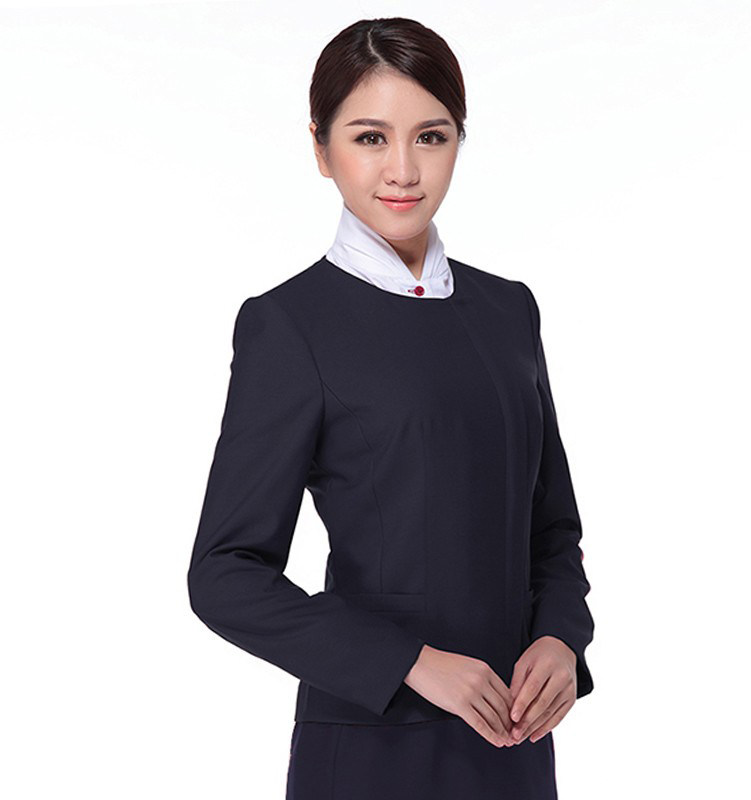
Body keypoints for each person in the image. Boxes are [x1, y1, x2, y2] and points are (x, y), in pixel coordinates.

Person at [187, 16, 595, 800]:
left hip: (513, 739)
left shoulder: (507, 311)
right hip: (373, 746)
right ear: (321, 148)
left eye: (431, 137)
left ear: (459, 141)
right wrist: (408, 663)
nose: (404, 170)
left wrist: (560, 638)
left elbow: (552, 529)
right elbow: (224, 575)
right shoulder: (291, 325)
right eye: (370, 138)